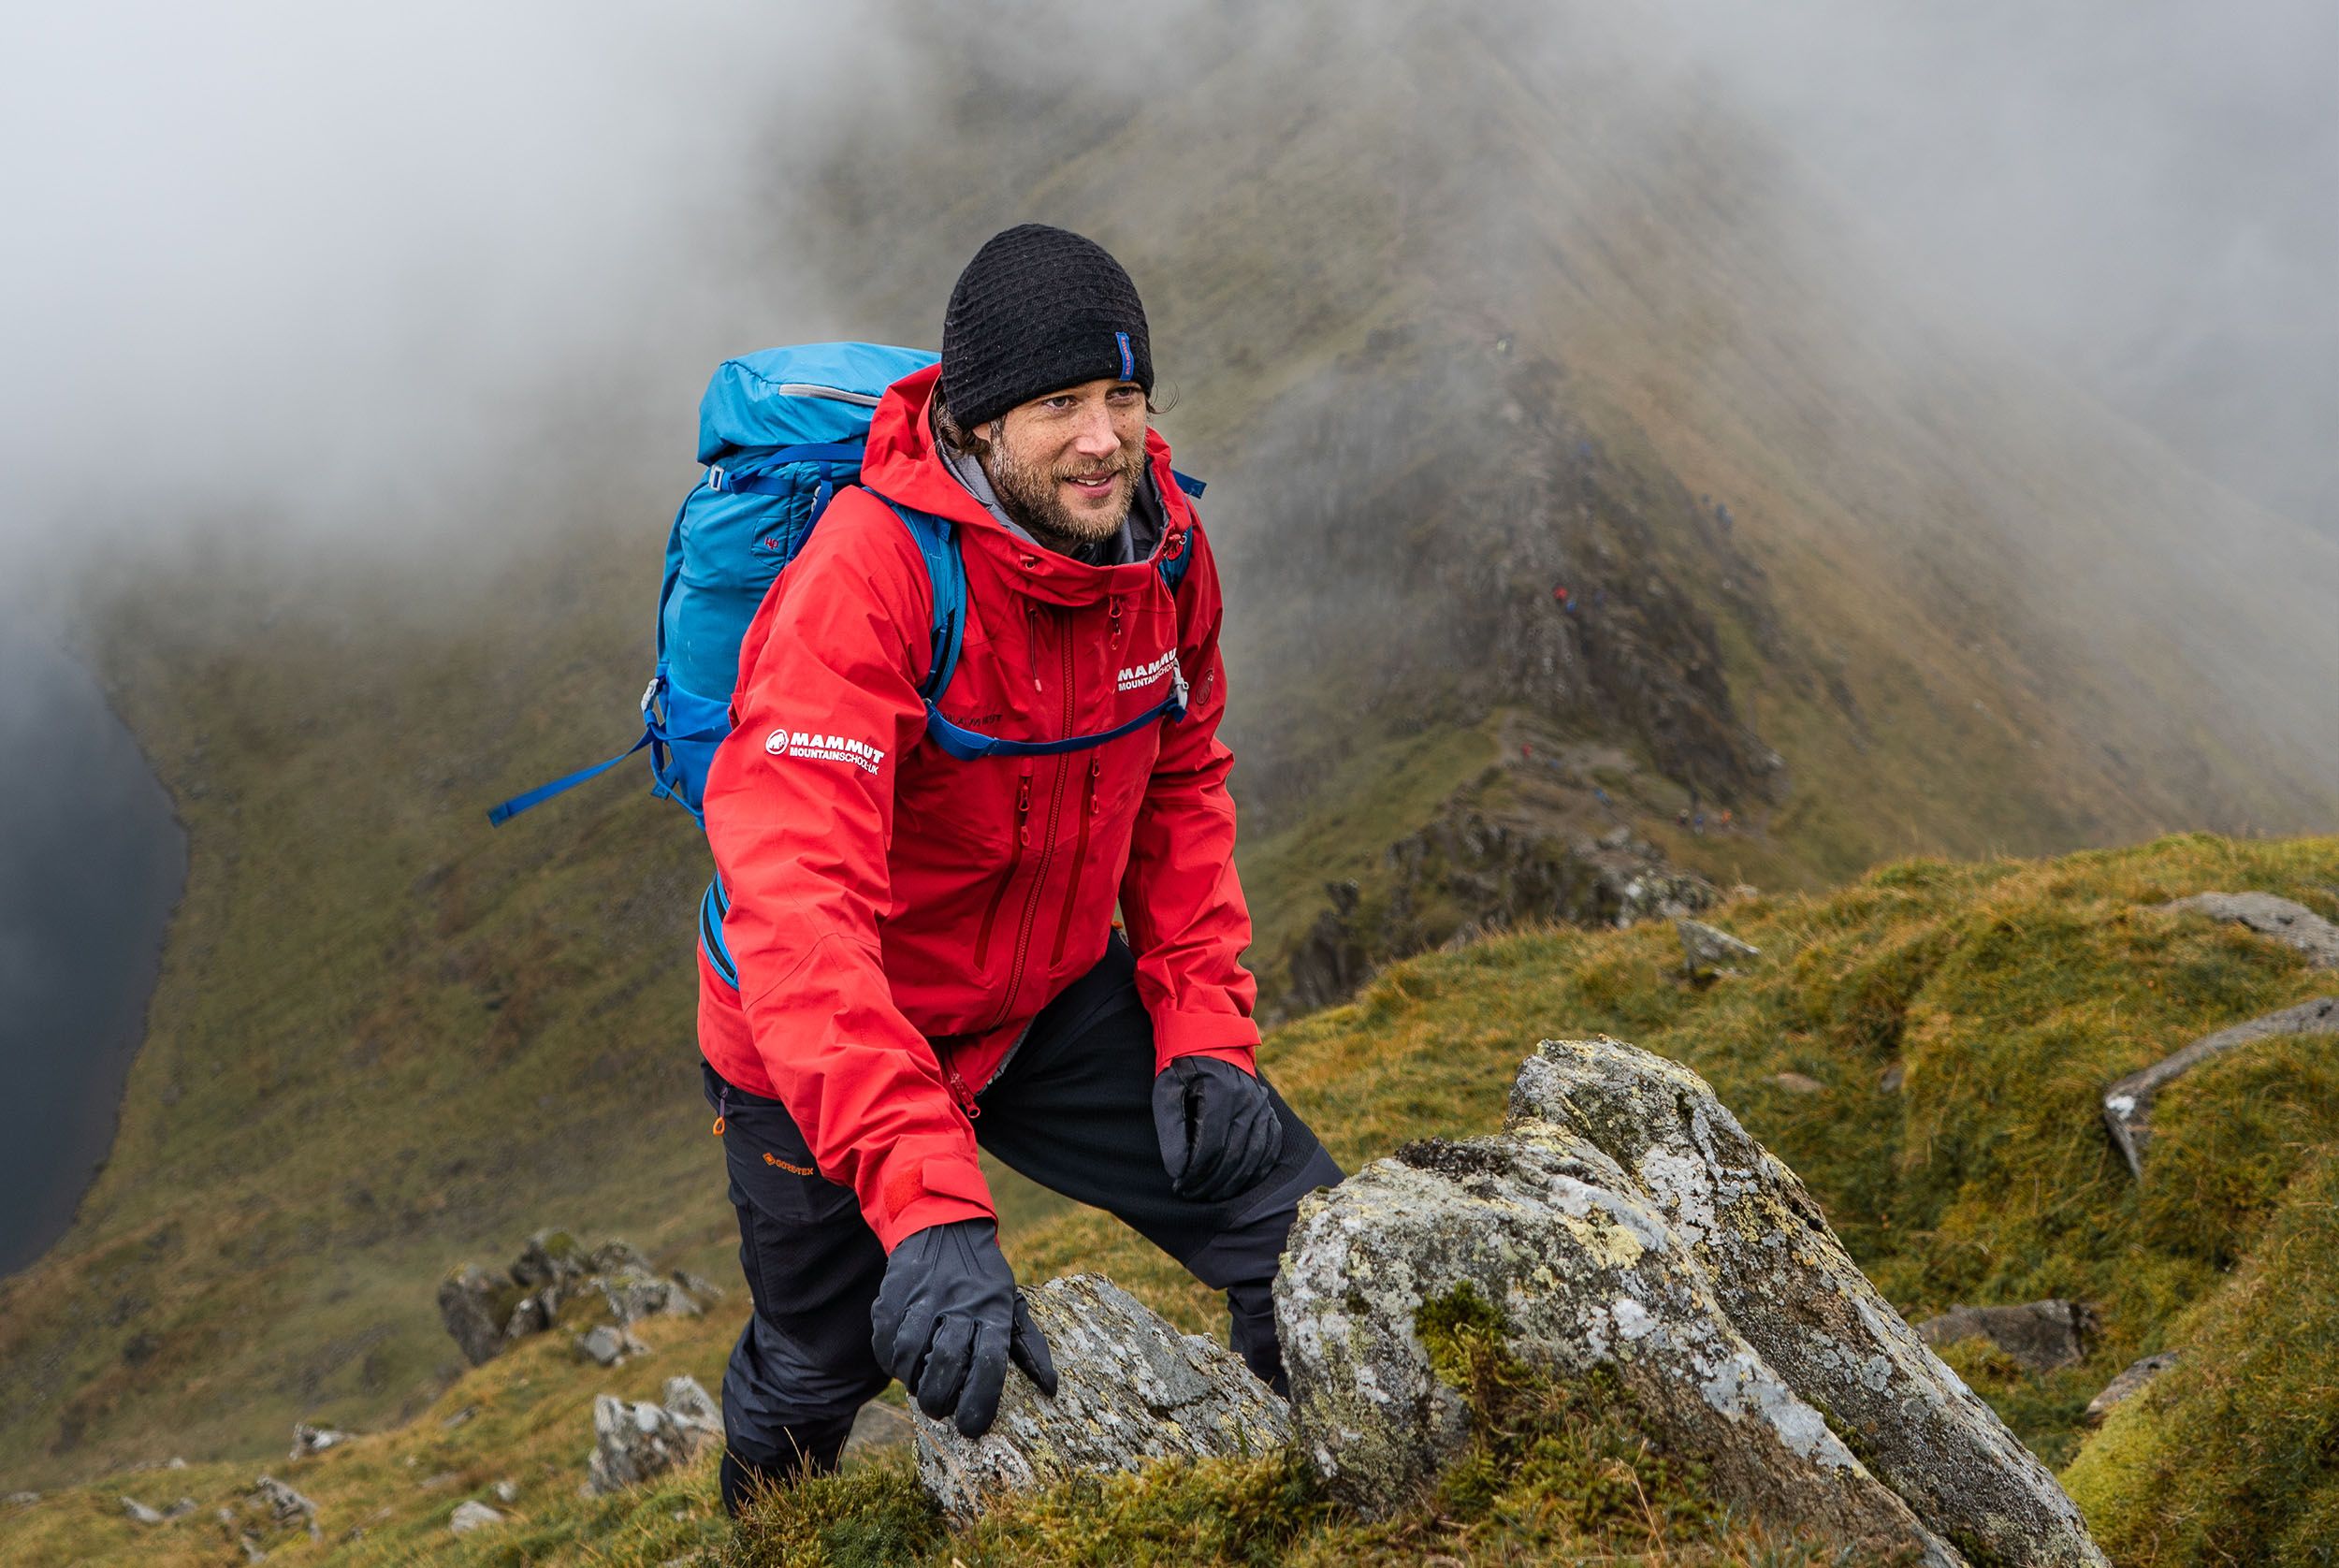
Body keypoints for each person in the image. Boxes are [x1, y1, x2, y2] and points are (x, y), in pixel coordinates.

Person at [694, 225, 1344, 1513]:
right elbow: (798, 913)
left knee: (1296, 1229)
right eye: (1059, 405)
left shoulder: (1161, 552)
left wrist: (1204, 1027)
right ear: (980, 422)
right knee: (822, 1366)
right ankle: (764, 1534)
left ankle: (1336, 1495)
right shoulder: (867, 580)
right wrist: (929, 1201)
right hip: (824, 1037)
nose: (1104, 439)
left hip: (1045, 1002)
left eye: (1123, 393)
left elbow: (1181, 781)